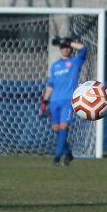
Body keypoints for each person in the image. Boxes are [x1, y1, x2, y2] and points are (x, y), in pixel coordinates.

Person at [41, 37, 88, 166]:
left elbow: (84, 48)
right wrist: (45, 100)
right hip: (55, 101)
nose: (65, 49)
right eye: (63, 47)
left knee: (63, 126)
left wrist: (68, 42)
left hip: (68, 100)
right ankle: (68, 154)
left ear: (71, 48)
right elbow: (51, 84)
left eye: (67, 47)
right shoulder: (55, 65)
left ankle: (57, 157)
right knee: (56, 128)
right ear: (60, 49)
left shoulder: (75, 61)